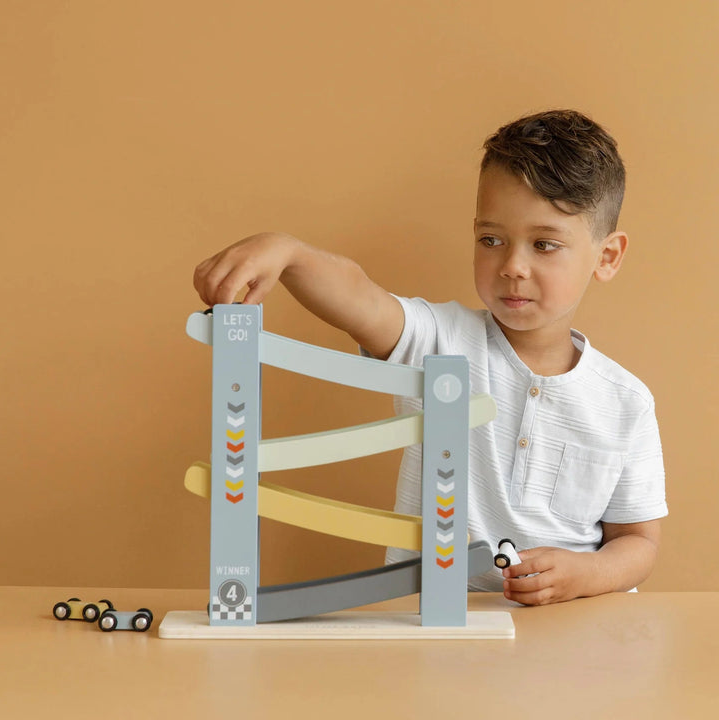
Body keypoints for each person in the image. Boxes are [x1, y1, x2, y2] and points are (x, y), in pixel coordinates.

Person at [193, 109, 667, 606]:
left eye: (544, 244)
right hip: (432, 626)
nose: (512, 267)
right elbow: (360, 297)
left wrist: (587, 574)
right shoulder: (440, 339)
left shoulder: (626, 401)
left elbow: (639, 542)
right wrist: (287, 252)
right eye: (491, 240)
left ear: (607, 257)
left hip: (571, 637)